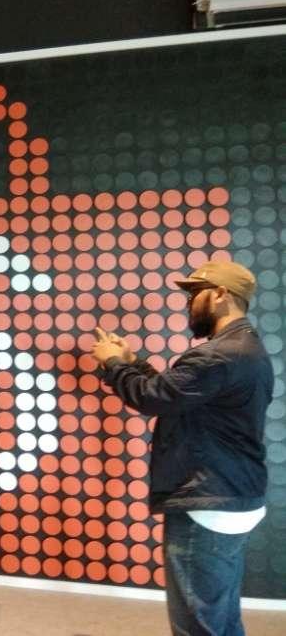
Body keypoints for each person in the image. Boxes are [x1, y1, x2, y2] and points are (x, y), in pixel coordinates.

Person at [89, 260, 273, 636]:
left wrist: (112, 363)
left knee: (198, 625)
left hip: (207, 503)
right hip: (232, 495)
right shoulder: (244, 348)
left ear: (220, 295)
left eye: (194, 294)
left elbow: (151, 399)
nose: (188, 303)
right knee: (222, 617)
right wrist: (132, 363)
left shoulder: (218, 355)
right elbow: (173, 394)